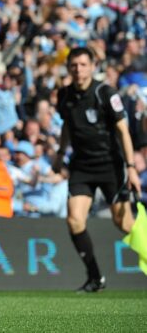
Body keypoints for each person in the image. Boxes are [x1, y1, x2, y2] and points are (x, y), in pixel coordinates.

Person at [53, 47, 142, 293]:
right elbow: (67, 126)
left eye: (83, 65)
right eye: (74, 65)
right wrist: (60, 154)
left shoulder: (105, 93)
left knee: (124, 223)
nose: (78, 70)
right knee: (74, 219)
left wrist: (131, 167)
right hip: (81, 166)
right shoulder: (64, 95)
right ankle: (95, 278)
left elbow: (123, 131)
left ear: (93, 66)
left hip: (110, 165)